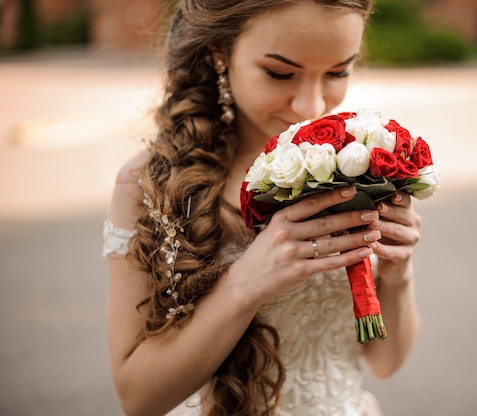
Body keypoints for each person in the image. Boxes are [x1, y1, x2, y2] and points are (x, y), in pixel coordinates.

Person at [103, 1, 422, 415]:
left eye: (338, 72)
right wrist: (245, 285)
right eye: (279, 73)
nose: (311, 106)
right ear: (221, 52)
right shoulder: (149, 184)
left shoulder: (353, 165)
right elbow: (138, 399)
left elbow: (385, 362)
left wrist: (397, 275)